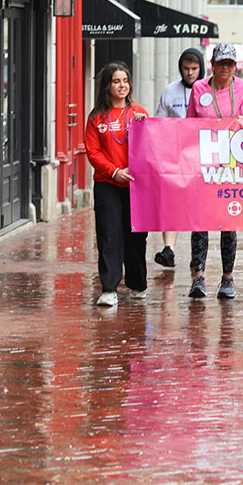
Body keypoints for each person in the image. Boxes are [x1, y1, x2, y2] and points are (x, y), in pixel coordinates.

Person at [185, 43, 243, 299]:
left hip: (230, 163)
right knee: (200, 221)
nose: (225, 67)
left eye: (230, 63)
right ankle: (198, 276)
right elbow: (189, 125)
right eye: (221, 62)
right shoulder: (199, 88)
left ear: (235, 66)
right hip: (203, 162)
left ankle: (228, 277)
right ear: (212, 64)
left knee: (228, 221)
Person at [84, 62, 149, 306]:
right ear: (107, 86)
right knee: (109, 235)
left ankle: (138, 283)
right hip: (107, 184)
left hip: (136, 185)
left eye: (125, 81)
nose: (122, 85)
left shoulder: (139, 113)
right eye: (116, 81)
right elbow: (93, 152)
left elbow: (152, 146)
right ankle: (109, 288)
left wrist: (145, 126)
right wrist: (114, 172)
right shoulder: (96, 117)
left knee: (136, 237)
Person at [152, 47, 204, 269]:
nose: (190, 73)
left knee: (198, 206)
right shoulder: (170, 91)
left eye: (194, 69)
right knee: (172, 201)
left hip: (202, 156)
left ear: (201, 69)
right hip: (175, 154)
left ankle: (197, 254)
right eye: (186, 69)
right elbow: (159, 123)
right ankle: (169, 248)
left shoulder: (207, 90)